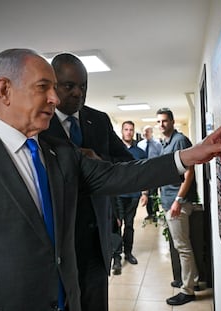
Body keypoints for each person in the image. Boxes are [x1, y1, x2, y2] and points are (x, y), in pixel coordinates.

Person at [0, 48, 221, 310]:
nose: (55, 99)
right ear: (4, 90)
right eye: (44, 87)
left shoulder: (59, 154)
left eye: (56, 88)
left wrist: (187, 156)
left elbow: (122, 173)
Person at [40, 53, 133, 311]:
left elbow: (125, 162)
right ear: (53, 85)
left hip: (96, 240)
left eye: (83, 87)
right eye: (69, 86)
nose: (78, 93)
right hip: (58, 242)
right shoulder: (40, 123)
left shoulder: (99, 120)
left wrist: (99, 159)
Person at [156, 108, 200, 306]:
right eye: (159, 121)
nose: (162, 124)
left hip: (177, 203)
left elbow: (189, 172)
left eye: (165, 121)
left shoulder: (180, 140)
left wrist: (178, 200)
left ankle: (188, 289)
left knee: (182, 247)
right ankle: (191, 280)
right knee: (179, 244)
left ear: (172, 121)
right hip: (169, 200)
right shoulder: (165, 143)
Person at [112, 121, 147, 273]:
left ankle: (128, 253)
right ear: (122, 131)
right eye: (126, 129)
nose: (128, 132)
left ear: (133, 132)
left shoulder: (140, 152)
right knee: (117, 225)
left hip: (133, 194)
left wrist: (145, 193)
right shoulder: (114, 150)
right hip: (118, 194)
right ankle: (117, 257)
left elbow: (144, 174)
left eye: (131, 130)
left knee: (130, 225)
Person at [137, 125, 162, 222]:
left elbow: (161, 157)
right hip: (144, 172)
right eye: (144, 131)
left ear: (151, 132)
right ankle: (149, 213)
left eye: (147, 131)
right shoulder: (140, 144)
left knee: (153, 193)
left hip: (154, 172)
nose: (145, 133)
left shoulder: (157, 144)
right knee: (145, 193)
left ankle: (155, 213)